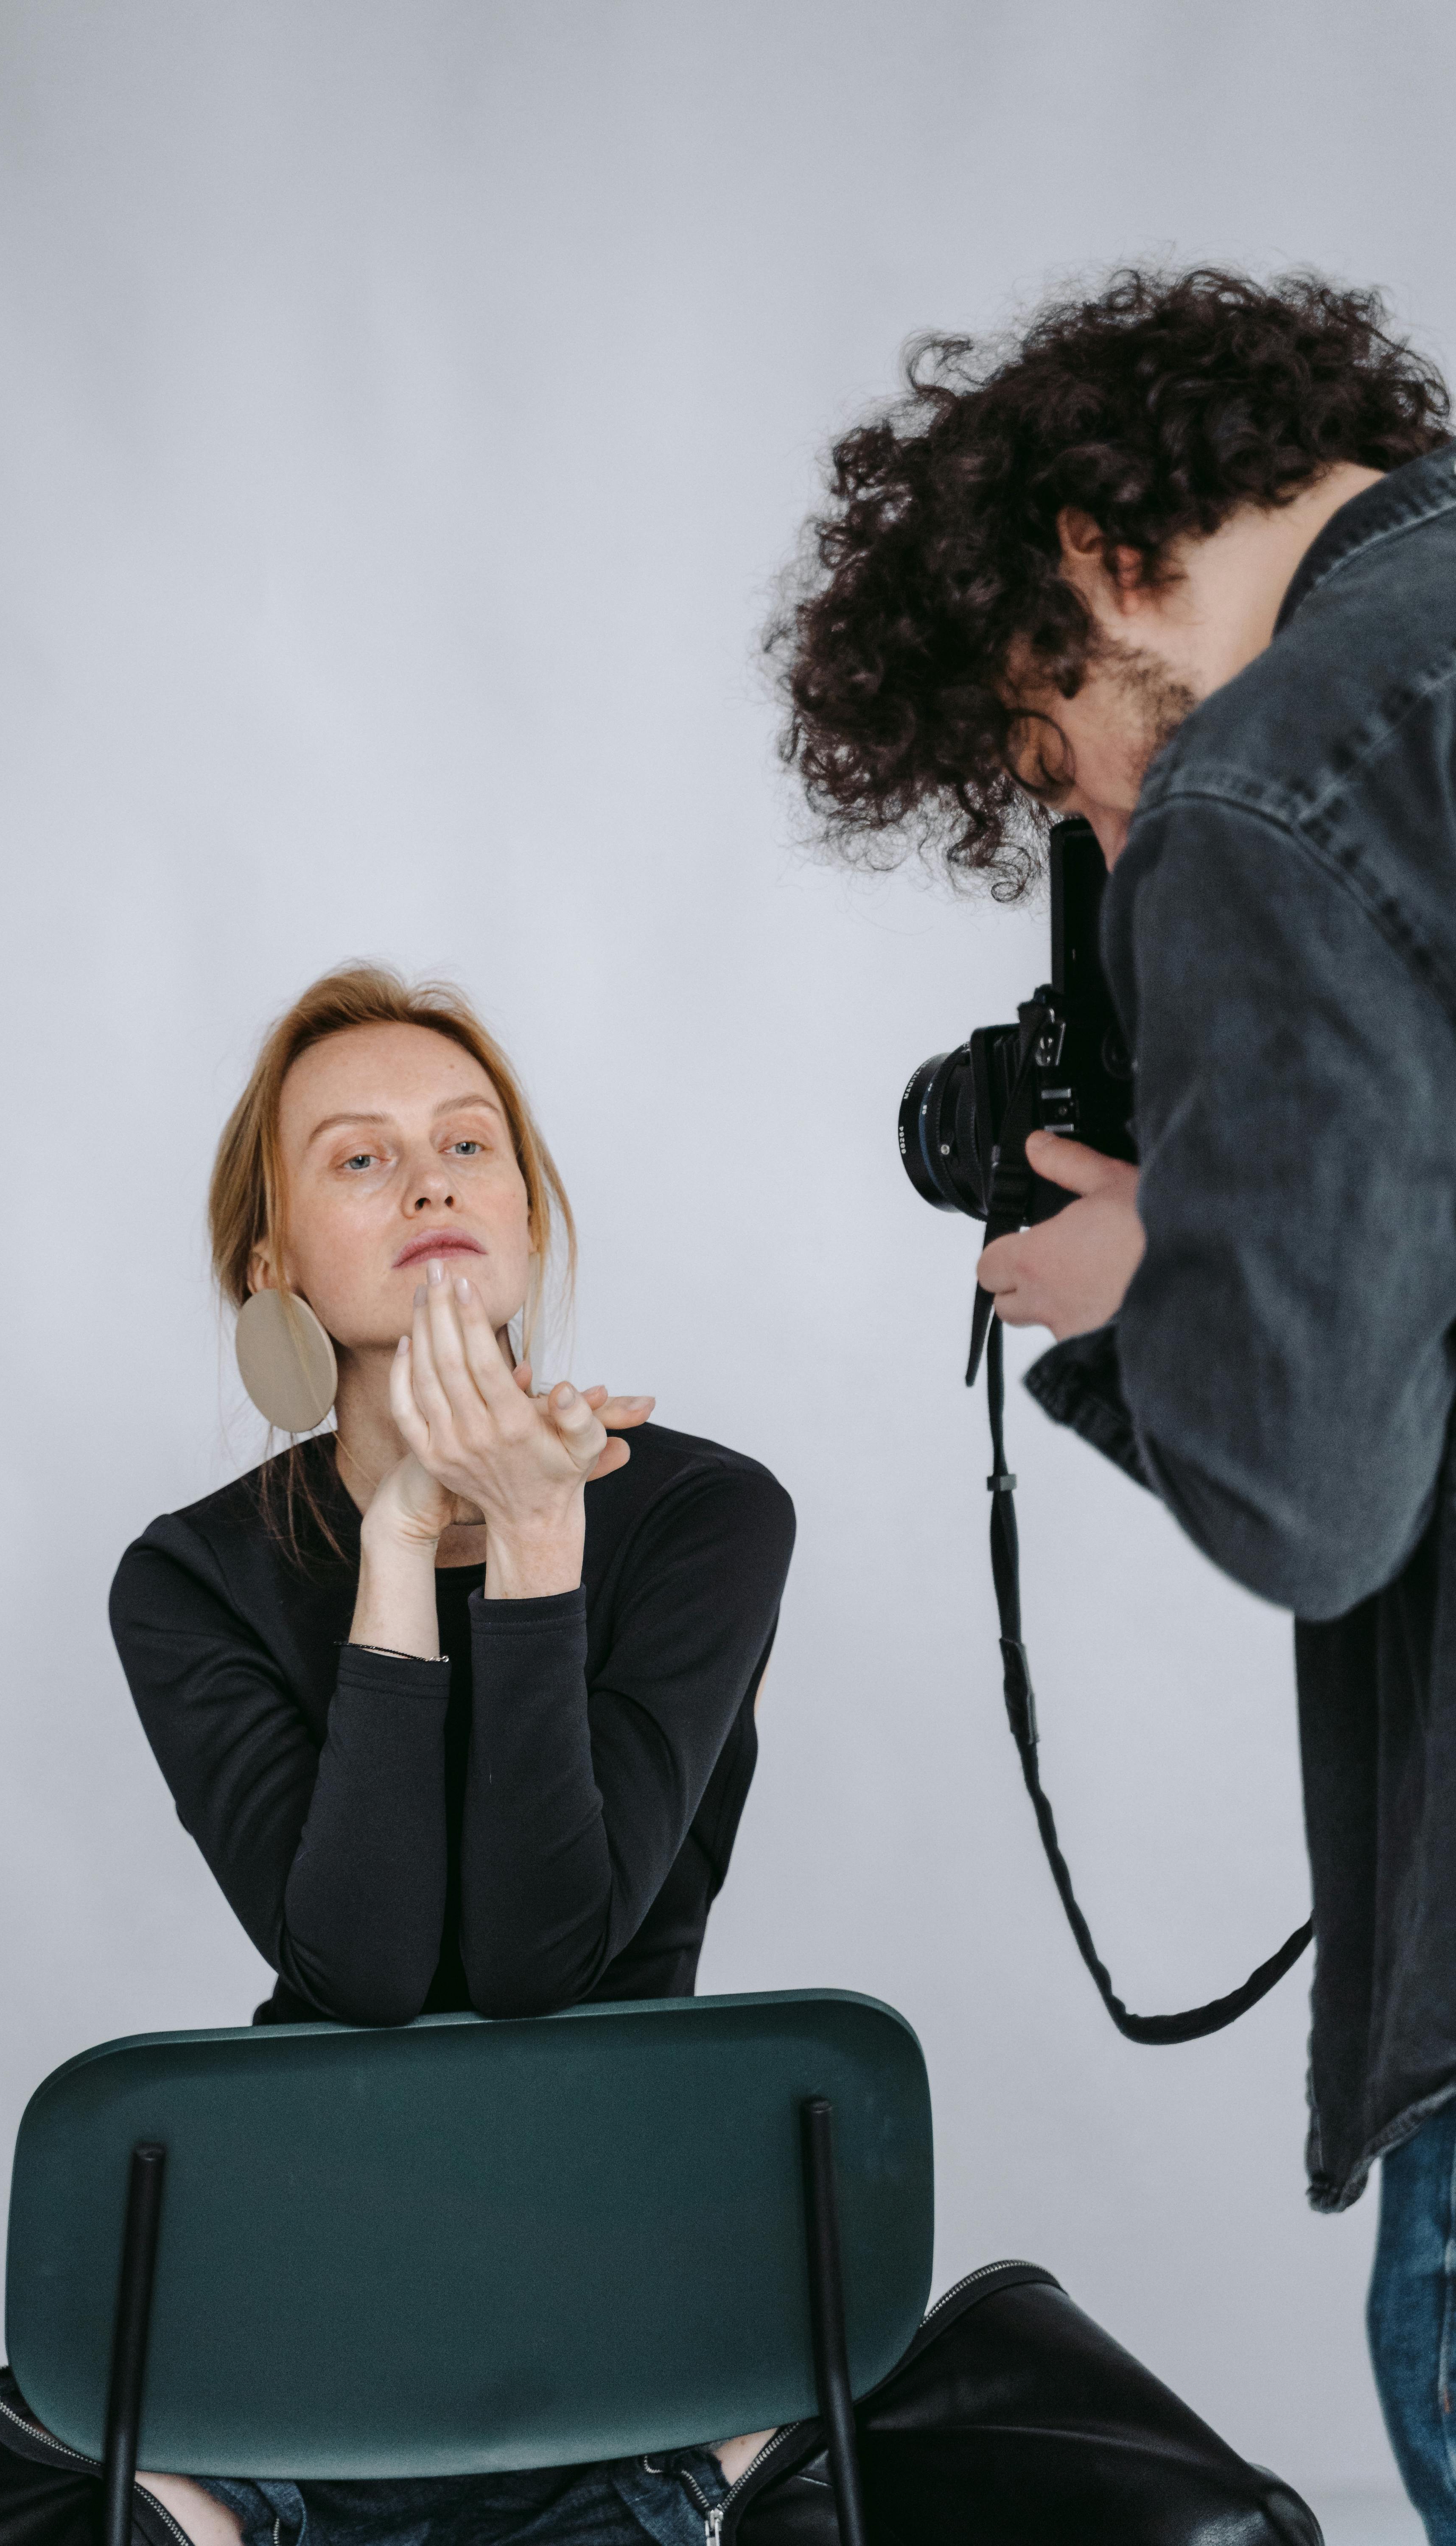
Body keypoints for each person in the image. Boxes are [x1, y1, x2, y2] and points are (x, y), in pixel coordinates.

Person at [773, 264, 1456, 2539]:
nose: (1093, 841)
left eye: (1066, 765)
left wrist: (1155, 1274)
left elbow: (1310, 1499)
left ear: (1100, 548)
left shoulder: (1273, 777)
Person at [108, 963, 798, 2546]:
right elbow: (360, 1977)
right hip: (313, 2295)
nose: (429, 1177)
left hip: (634, 2304)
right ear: (275, 1259)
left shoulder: (707, 1515)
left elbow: (541, 1965)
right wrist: (403, 1543)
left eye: (470, 1144)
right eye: (359, 1156)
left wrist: (541, 1544)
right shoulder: (189, 1578)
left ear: (528, 1217)